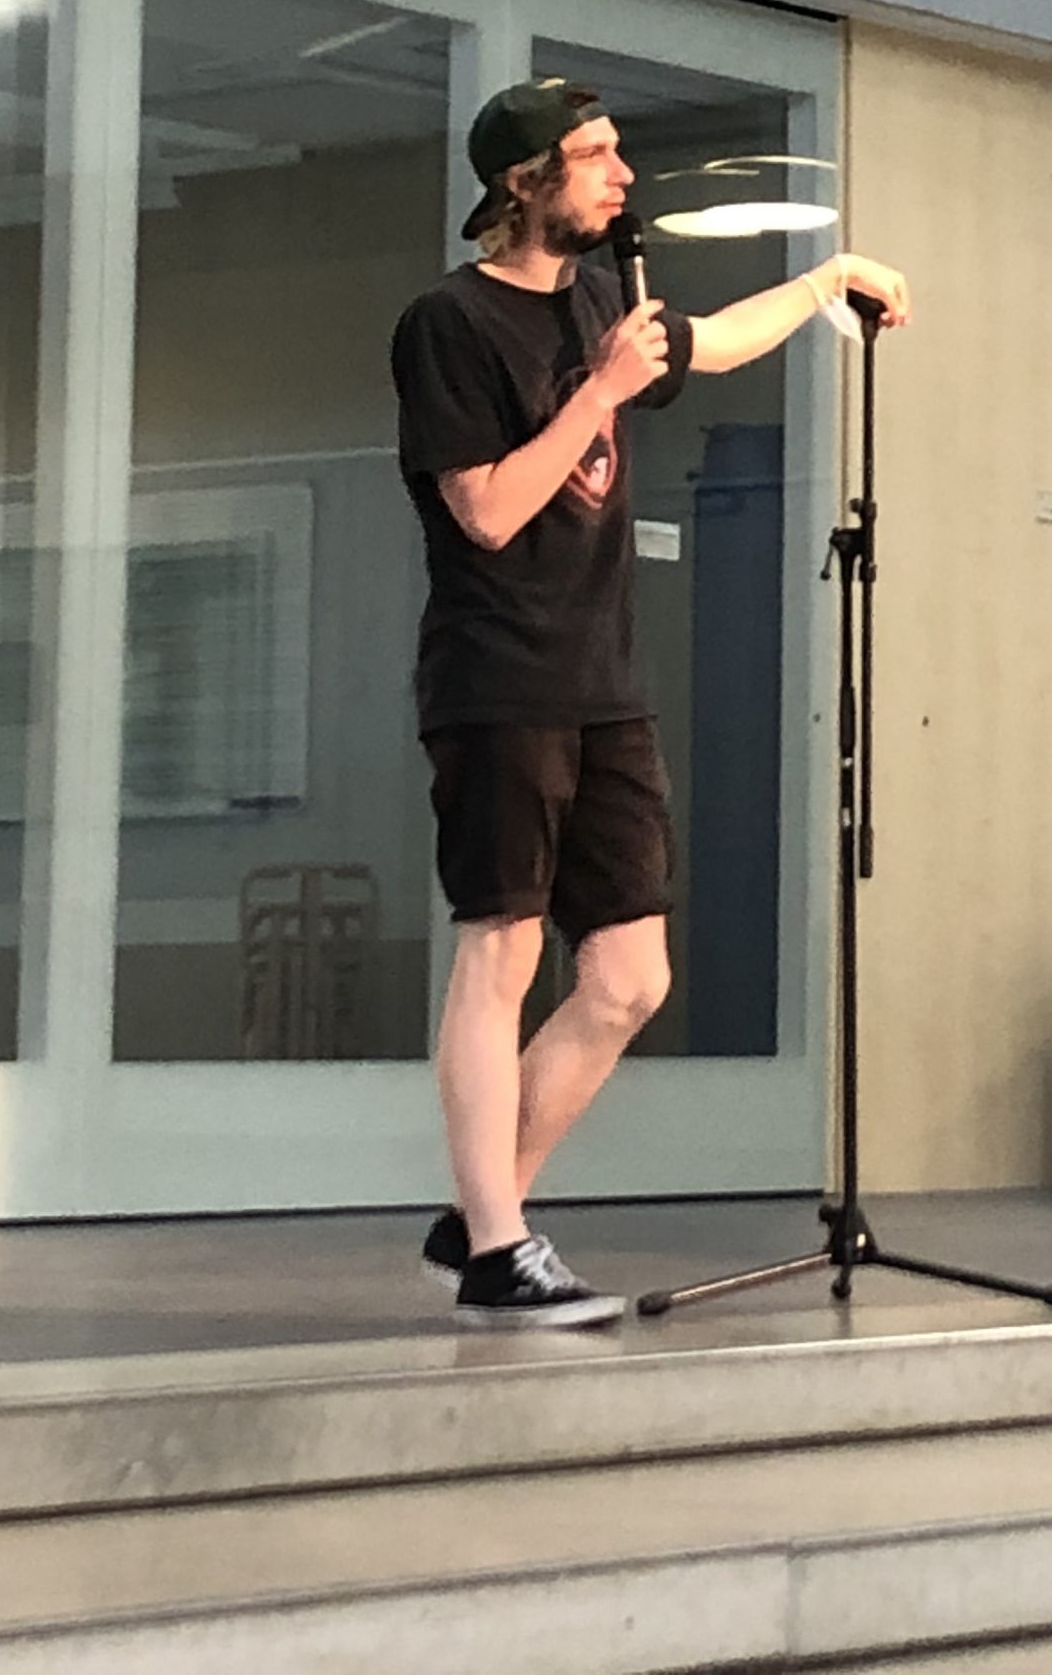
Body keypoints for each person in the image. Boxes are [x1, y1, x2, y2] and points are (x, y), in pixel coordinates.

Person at [391, 78, 908, 1328]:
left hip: (604, 683)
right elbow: (489, 510)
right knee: (503, 949)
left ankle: (479, 1219)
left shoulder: (600, 303)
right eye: (595, 155)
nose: (623, 175)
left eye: (619, 150)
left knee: (629, 975)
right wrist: (600, 390)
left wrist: (826, 280)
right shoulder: (449, 321)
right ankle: (500, 1244)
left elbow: (710, 340)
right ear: (525, 181)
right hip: (499, 679)